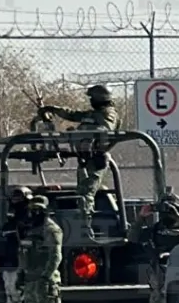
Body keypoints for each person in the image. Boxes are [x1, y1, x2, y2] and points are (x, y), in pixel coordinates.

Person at [41, 84, 120, 239]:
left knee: (86, 194)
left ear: (100, 98)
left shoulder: (108, 114)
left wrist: (79, 134)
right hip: (84, 158)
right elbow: (73, 114)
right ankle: (81, 226)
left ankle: (85, 230)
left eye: (92, 98)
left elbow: (104, 130)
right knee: (81, 193)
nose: (90, 100)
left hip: (97, 158)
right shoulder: (92, 114)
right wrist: (54, 109)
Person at [19, 195, 64, 303]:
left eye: (39, 210)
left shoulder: (51, 229)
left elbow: (55, 256)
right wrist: (21, 275)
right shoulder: (30, 229)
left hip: (46, 281)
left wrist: (46, 277)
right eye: (33, 210)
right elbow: (24, 254)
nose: (35, 213)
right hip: (31, 279)